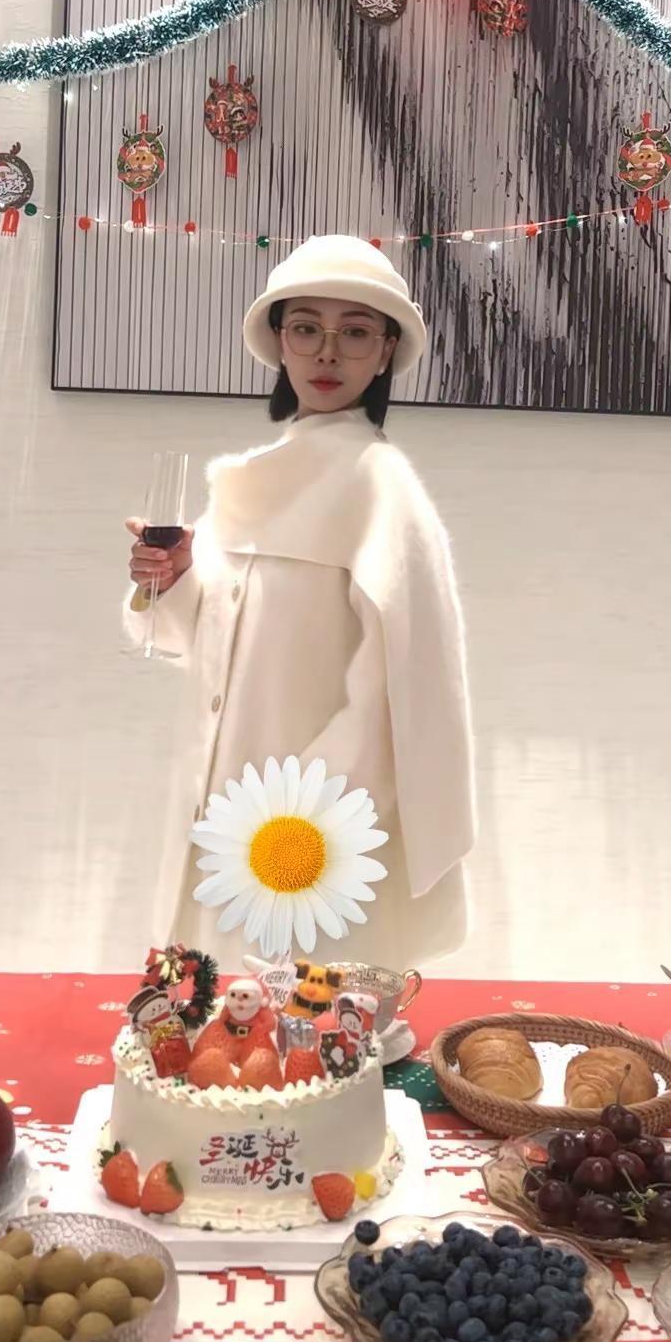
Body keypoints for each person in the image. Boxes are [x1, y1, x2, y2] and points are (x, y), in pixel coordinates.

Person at [125, 234, 476, 974]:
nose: (327, 354)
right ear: (280, 341)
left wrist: (306, 807)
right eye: (307, 328)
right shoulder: (252, 480)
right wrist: (176, 578)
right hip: (228, 782)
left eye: (356, 332)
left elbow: (401, 682)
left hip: (312, 810)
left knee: (308, 1007)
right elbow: (210, 637)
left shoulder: (381, 486)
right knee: (220, 1002)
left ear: (385, 352)